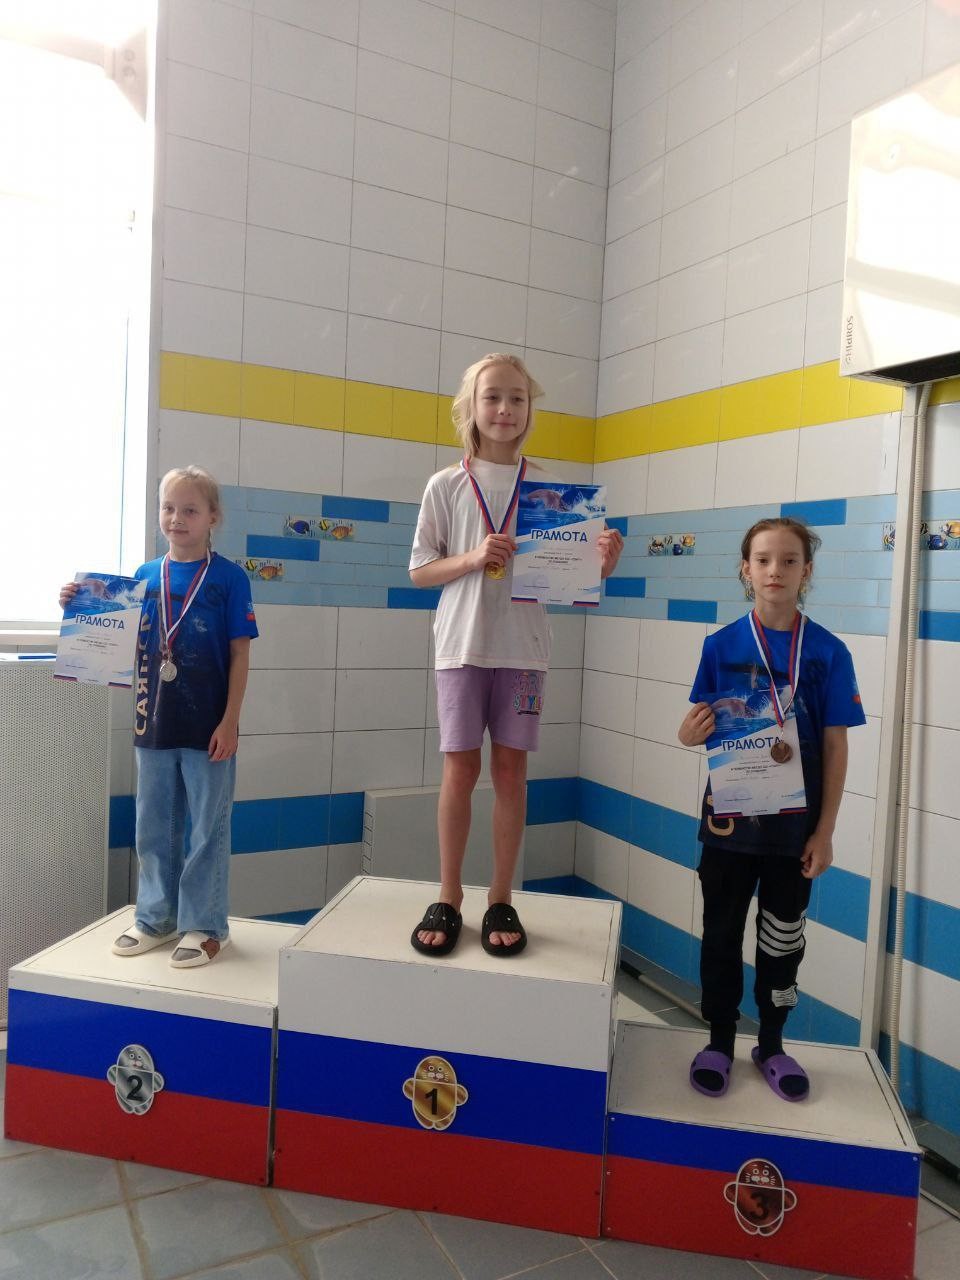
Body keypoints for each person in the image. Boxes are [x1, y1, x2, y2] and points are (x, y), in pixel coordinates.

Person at [409, 353, 623, 958]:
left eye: (517, 398)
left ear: (530, 409)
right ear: (471, 408)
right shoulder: (446, 485)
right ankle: (449, 895)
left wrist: (600, 566)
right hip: (461, 646)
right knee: (460, 771)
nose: (505, 409)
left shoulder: (552, 492)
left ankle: (501, 896)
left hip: (524, 651)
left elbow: (571, 583)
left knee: (511, 774)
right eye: (492, 397)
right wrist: (474, 558)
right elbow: (420, 570)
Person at [677, 517, 865, 1100]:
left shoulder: (828, 651)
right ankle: (718, 1040)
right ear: (746, 569)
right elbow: (699, 727)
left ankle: (773, 1044)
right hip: (728, 824)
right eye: (763, 560)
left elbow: (836, 746)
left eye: (788, 560)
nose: (775, 570)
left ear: (806, 571)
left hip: (794, 833)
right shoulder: (720, 645)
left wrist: (825, 832)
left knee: (783, 941)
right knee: (720, 934)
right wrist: (687, 734)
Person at [59, 466, 257, 966]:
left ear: (213, 517)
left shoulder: (229, 578)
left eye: (190, 509)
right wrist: (78, 604)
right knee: (153, 827)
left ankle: (207, 926)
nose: (176, 518)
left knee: (207, 829)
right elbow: (116, 639)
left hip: (210, 727)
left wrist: (230, 721)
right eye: (168, 508)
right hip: (153, 721)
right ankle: (156, 918)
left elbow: (240, 654)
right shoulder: (145, 576)